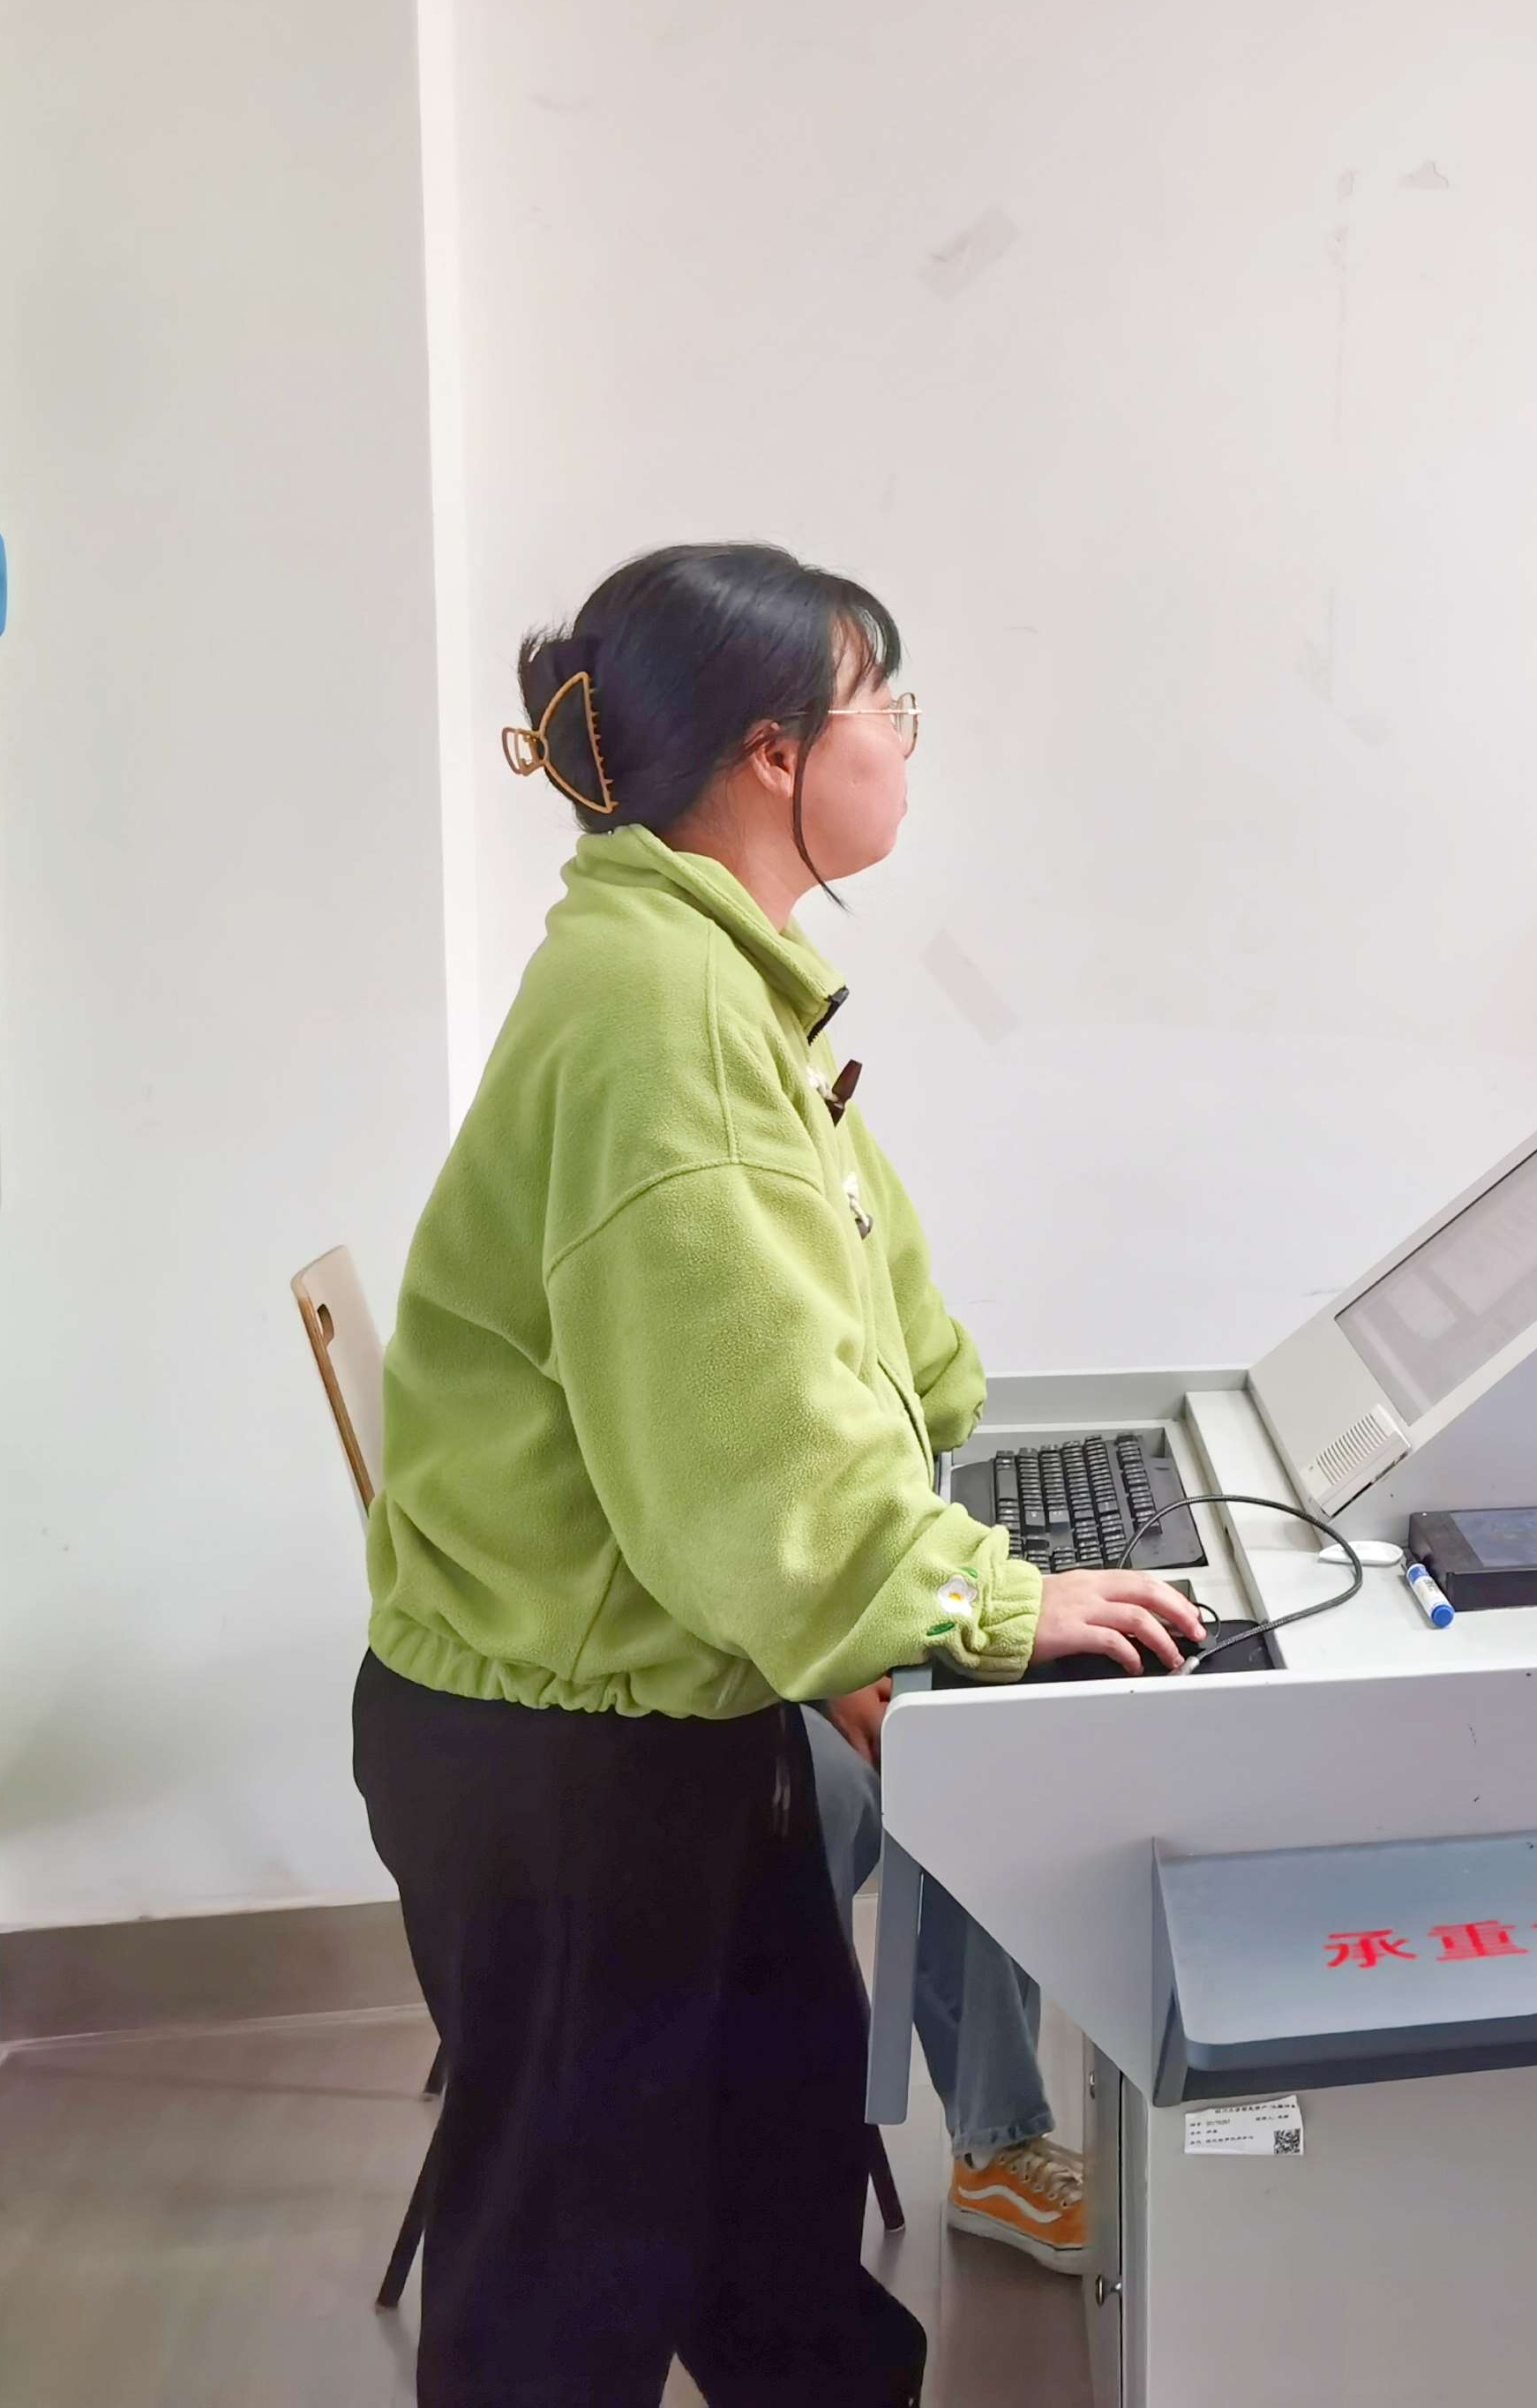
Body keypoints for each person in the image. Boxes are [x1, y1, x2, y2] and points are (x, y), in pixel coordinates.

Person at [358, 544, 1205, 2407]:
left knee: (768, 2208)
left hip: (662, 1704)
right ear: (772, 753)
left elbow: (861, 1307)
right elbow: (744, 1459)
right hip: (570, 1754)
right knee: (565, 2286)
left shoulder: (710, 975)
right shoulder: (662, 1015)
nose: (901, 740)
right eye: (881, 705)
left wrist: (968, 1511)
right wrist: (974, 1601)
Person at [804, 1692, 1089, 2269]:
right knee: (827, 1789)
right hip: (683, 1690)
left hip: (811, 1666)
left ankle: (994, 2145)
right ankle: (783, 2160)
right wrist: (829, 1681)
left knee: (965, 1765)